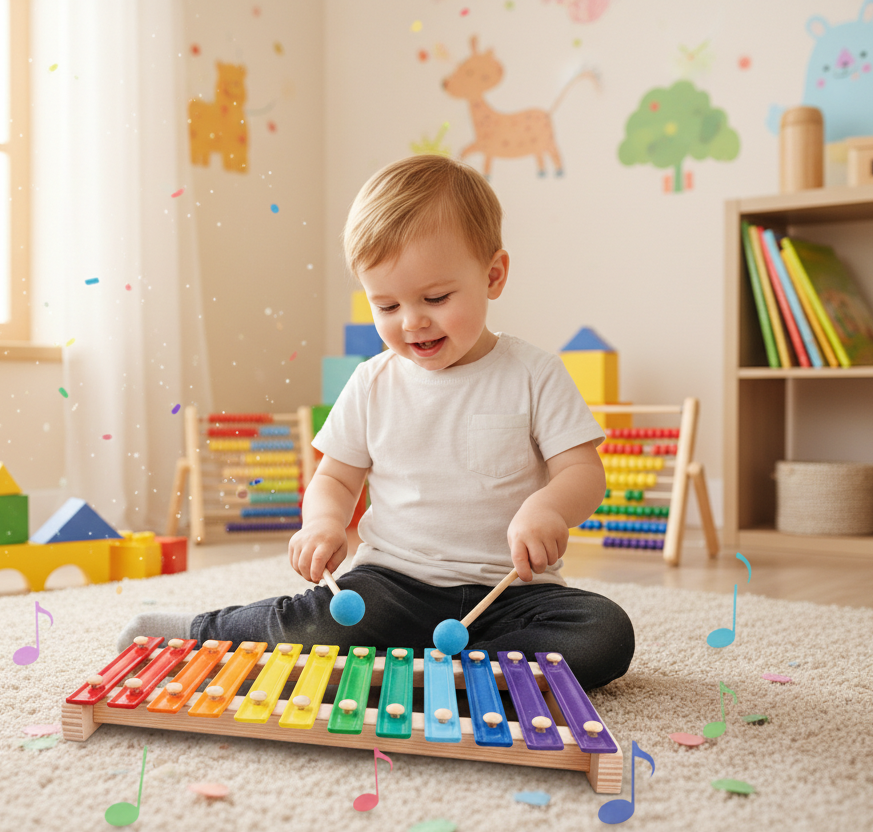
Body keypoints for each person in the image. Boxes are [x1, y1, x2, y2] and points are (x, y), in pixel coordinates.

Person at [118, 155, 634, 689]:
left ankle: (449, 676)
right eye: (386, 305)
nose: (412, 321)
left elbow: (582, 471)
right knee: (320, 618)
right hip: (394, 585)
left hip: (511, 595)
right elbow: (336, 478)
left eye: (436, 298)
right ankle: (198, 633)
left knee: (604, 631)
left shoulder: (535, 373)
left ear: (493, 275)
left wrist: (547, 508)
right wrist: (322, 523)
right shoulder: (371, 381)